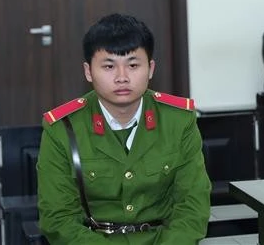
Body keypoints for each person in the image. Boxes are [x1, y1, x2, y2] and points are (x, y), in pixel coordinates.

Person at [37, 13, 211, 244]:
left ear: (150, 69)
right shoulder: (62, 128)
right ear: (88, 72)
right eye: (109, 66)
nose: (122, 77)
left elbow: (192, 206)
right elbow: (58, 218)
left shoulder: (179, 121)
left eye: (133, 65)